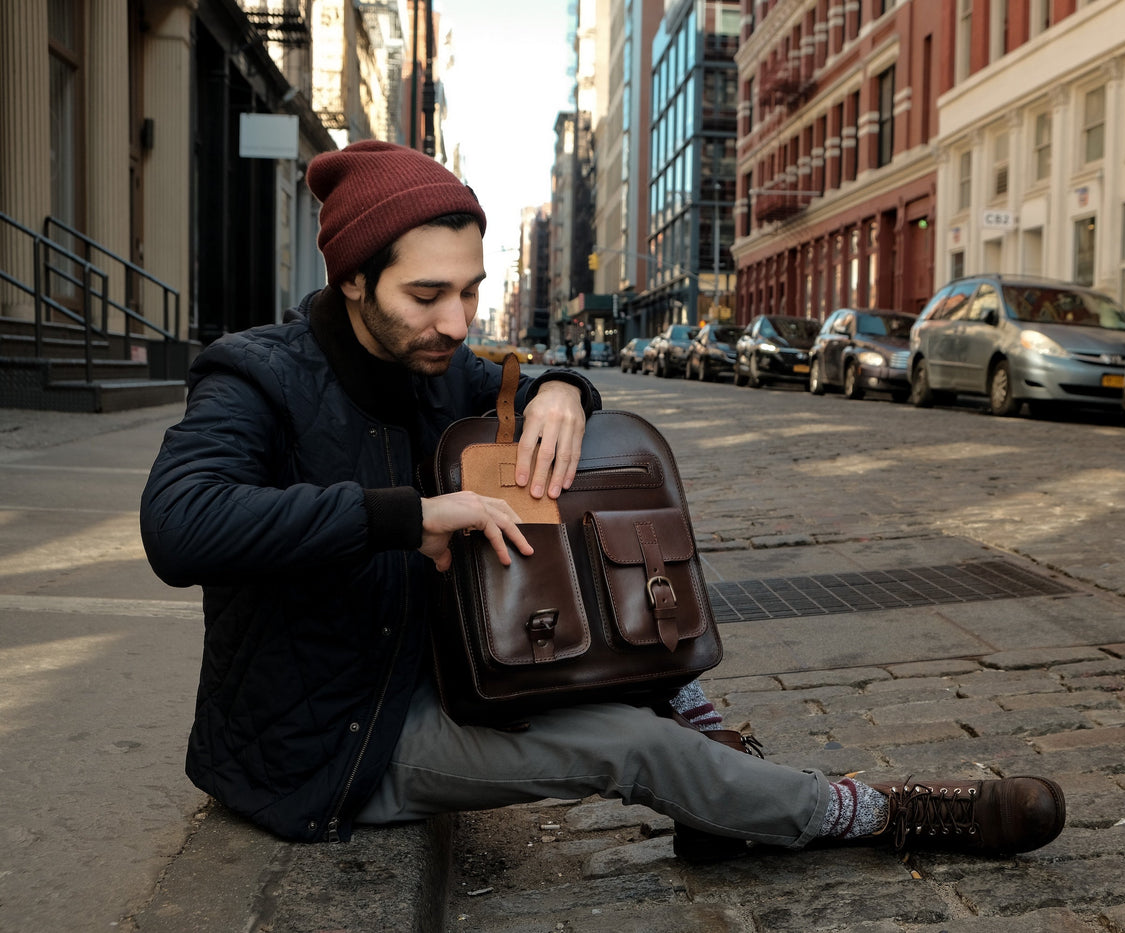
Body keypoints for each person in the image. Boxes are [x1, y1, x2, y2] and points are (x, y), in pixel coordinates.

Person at [141, 140, 1065, 862]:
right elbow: (178, 525)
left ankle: (727, 795)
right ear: (351, 280)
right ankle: (869, 813)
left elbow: (518, 371)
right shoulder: (253, 377)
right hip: (336, 744)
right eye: (427, 295)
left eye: (470, 291)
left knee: (626, 611)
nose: (456, 323)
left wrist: (560, 390)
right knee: (635, 745)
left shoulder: (434, 361)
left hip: (448, 668)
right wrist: (406, 518)